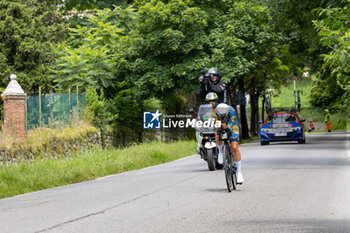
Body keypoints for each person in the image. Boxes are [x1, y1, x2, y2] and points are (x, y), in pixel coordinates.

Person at [209, 99, 244, 184]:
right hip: (219, 124)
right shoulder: (213, 112)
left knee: (235, 147)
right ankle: (220, 151)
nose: (222, 117)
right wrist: (219, 126)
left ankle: (239, 172)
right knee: (217, 133)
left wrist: (227, 127)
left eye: (224, 115)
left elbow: (231, 125)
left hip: (232, 124)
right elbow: (215, 124)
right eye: (221, 116)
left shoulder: (232, 111)